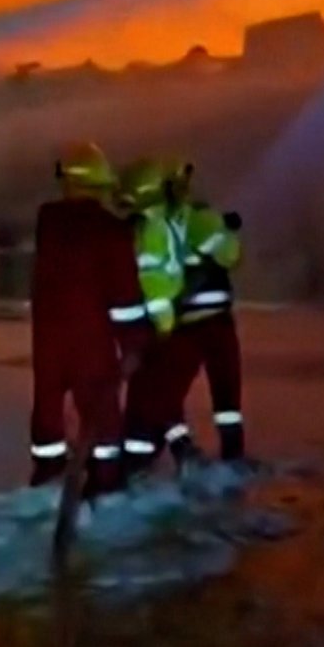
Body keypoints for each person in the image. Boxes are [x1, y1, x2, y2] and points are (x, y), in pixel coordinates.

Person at [29, 142, 152, 497]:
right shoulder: (110, 231)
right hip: (91, 340)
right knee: (102, 411)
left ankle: (47, 472)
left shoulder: (47, 221)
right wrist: (135, 342)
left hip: (47, 339)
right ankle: (105, 483)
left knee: (47, 404)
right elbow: (125, 297)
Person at [149, 158, 249, 465]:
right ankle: (232, 461)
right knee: (227, 400)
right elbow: (231, 256)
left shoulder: (152, 224)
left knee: (163, 395)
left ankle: (183, 451)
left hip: (178, 325)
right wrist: (225, 233)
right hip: (214, 324)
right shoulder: (203, 219)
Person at [116, 157, 189, 474]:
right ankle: (171, 450)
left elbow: (152, 280)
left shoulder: (151, 229)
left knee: (146, 399)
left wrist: (157, 326)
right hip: (166, 324)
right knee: (155, 395)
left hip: (156, 326)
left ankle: (144, 461)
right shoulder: (167, 221)